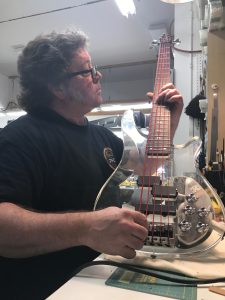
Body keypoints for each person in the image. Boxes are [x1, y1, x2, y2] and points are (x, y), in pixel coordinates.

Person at [0, 30, 183, 300]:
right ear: (57, 87)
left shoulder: (101, 136)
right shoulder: (19, 138)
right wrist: (86, 228)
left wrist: (169, 119)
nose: (99, 75)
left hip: (94, 279)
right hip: (45, 291)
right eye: (87, 71)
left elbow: (145, 165)